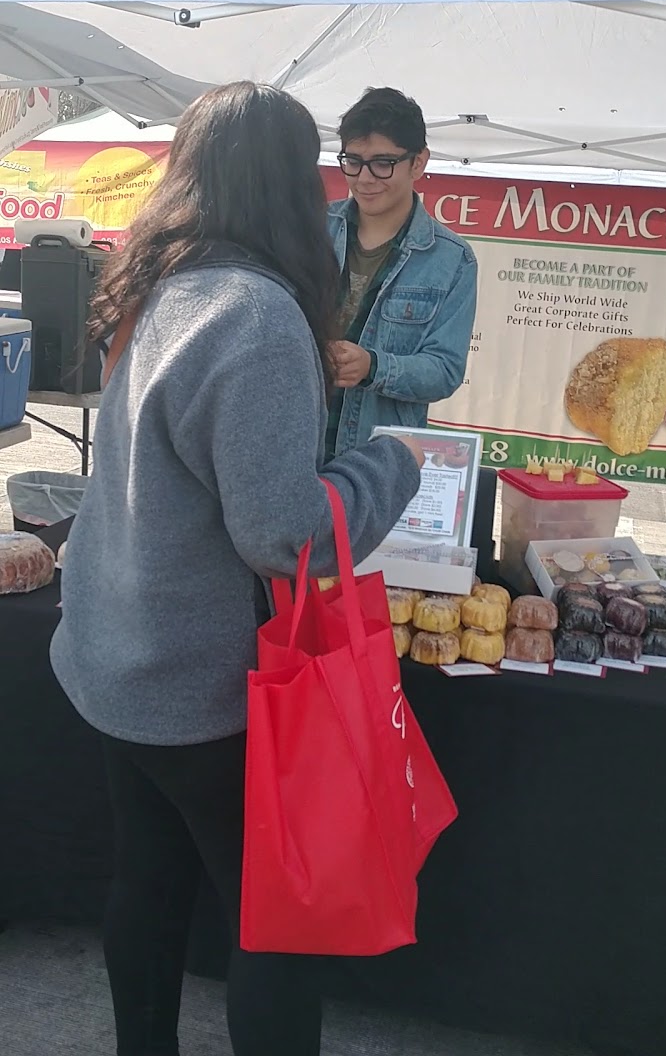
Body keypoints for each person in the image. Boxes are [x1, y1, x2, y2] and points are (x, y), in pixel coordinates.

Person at [49, 82, 423, 1056]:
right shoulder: (254, 314)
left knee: (149, 882)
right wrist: (390, 465)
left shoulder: (157, 284)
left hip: (115, 657)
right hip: (196, 684)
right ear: (292, 187)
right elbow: (284, 537)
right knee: (279, 924)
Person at [325, 86, 478, 458]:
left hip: (376, 460)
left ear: (418, 163)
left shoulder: (453, 260)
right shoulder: (311, 229)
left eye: (382, 163)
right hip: (293, 446)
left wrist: (373, 366)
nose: (364, 178)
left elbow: (444, 371)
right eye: (353, 161)